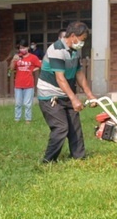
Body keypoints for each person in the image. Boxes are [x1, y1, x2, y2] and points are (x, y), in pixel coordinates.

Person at [38, 22, 96, 164]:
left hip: (65, 92)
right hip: (50, 94)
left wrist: (90, 95)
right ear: (72, 36)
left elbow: (79, 74)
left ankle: (79, 157)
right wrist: (74, 99)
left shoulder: (74, 51)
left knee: (74, 126)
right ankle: (48, 161)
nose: (82, 43)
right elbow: (60, 78)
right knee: (61, 127)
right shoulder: (57, 49)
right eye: (81, 40)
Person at [10, 42, 41, 123]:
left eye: (24, 47)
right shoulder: (18, 57)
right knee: (18, 103)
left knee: (27, 104)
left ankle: (28, 120)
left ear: (28, 47)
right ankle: (17, 119)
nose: (22, 49)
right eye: (21, 48)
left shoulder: (33, 57)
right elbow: (11, 69)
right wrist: (13, 60)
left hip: (29, 84)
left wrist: (32, 70)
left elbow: (39, 65)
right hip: (18, 84)